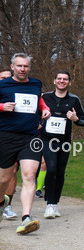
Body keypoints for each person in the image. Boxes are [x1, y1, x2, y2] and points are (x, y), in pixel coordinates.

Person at [0, 54, 52, 234]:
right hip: (7, 136)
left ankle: (26, 218)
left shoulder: (36, 84)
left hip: (31, 136)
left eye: (26, 66)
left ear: (29, 67)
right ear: (12, 67)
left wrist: (45, 109)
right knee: (4, 179)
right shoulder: (3, 85)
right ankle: (2, 202)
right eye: (19, 66)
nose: (22, 69)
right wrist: (2, 107)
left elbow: (39, 101)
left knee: (29, 176)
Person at [41, 71, 84, 217]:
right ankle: (49, 204)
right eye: (59, 78)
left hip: (64, 142)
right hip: (47, 139)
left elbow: (83, 121)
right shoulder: (45, 97)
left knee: (60, 172)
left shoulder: (74, 99)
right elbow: (36, 114)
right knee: (51, 168)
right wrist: (40, 121)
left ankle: (55, 203)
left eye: (65, 79)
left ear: (69, 82)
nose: (62, 81)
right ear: (54, 81)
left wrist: (75, 119)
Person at [0, 69, 17, 220]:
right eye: (2, 78)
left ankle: (7, 206)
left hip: (10, 137)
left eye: (8, 77)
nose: (5, 80)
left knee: (12, 170)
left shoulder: (16, 95)